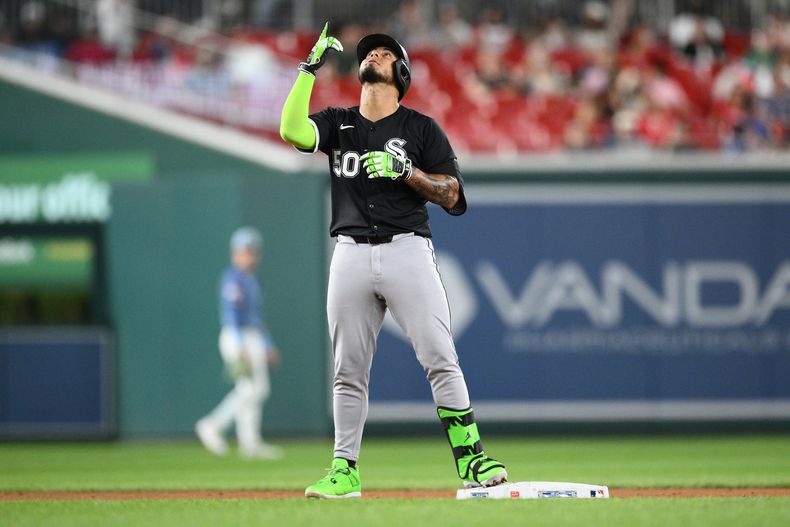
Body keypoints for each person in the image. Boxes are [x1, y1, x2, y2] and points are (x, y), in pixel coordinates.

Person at [279, 23, 507, 499]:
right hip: (350, 252)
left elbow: (453, 195)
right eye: (370, 53)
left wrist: (410, 173)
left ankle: (473, 461)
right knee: (347, 369)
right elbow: (291, 130)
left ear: (401, 72)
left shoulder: (420, 128)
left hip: (407, 248)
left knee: (440, 358)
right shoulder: (339, 122)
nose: (374, 57)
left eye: (385, 54)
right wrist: (307, 70)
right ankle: (344, 470)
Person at [195, 226, 282, 460]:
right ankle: (212, 425)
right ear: (235, 253)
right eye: (245, 251)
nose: (249, 256)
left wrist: (267, 344)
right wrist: (241, 344)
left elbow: (257, 318)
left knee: (257, 390)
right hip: (237, 336)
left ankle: (250, 443)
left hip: (252, 336)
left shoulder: (252, 279)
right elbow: (232, 316)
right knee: (251, 389)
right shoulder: (232, 278)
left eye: (252, 251)